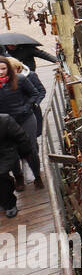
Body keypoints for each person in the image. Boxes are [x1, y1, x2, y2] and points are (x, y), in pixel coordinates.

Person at [0, 57, 43, 191]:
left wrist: (27, 107)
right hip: (6, 122)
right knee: (10, 150)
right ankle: (18, 177)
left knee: (30, 148)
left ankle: (37, 176)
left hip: (26, 118)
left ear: (8, 68)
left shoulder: (20, 79)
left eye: (3, 68)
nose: (0, 72)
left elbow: (35, 93)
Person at [0, 112, 33, 217]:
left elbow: (21, 137)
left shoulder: (5, 120)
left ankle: (10, 204)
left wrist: (25, 154)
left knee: (1, 176)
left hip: (6, 153)